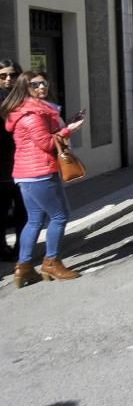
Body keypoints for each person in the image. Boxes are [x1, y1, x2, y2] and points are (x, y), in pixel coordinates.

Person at [0, 71, 85, 287]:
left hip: (27, 174)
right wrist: (70, 129)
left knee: (34, 220)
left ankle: (24, 267)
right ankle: (51, 263)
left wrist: (65, 126)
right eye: (35, 84)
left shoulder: (28, 111)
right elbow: (47, 144)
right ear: (25, 87)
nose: (41, 87)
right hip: (39, 173)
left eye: (44, 82)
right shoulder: (31, 115)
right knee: (60, 216)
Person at [0, 59, 27, 262]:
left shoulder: (25, 99)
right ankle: (2, 248)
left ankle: (21, 248)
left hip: (24, 164)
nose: (8, 79)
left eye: (13, 75)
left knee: (23, 210)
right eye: (3, 76)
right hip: (2, 165)